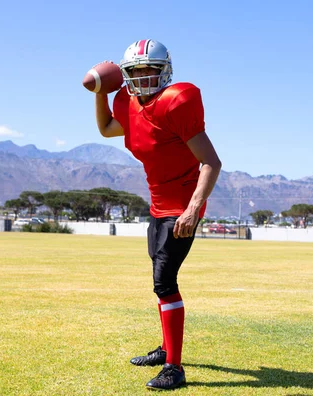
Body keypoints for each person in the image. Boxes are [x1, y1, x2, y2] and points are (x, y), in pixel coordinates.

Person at [93, 39, 222, 390]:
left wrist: (194, 209)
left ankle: (174, 368)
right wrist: (101, 92)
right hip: (157, 205)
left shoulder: (176, 103)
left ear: (164, 71)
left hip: (181, 207)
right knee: (159, 280)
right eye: (135, 71)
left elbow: (211, 162)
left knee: (165, 282)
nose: (143, 76)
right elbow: (106, 129)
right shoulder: (130, 104)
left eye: (149, 69)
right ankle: (167, 348)